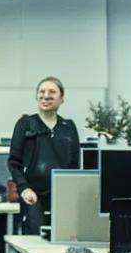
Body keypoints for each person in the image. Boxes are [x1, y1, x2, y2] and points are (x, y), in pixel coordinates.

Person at [8, 76, 81, 234]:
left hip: (63, 197)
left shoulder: (68, 127)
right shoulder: (25, 124)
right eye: (42, 92)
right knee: (35, 237)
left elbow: (75, 165)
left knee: (63, 238)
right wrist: (24, 188)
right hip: (33, 195)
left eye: (52, 92)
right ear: (36, 96)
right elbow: (14, 163)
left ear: (62, 98)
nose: (46, 96)